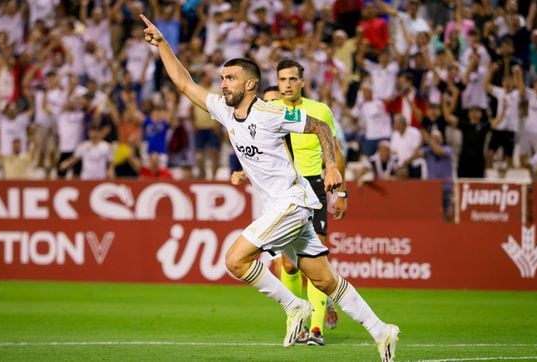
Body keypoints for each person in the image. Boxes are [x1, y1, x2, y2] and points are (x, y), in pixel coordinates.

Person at [140, 14, 399, 361]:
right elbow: (185, 84)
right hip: (280, 206)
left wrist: (332, 165)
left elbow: (320, 126)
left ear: (250, 85)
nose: (223, 84)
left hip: (291, 202)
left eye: (230, 78)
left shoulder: (271, 113)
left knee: (235, 259)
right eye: (221, 78)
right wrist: (162, 46)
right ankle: (382, 330)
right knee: (324, 281)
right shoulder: (224, 111)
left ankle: (295, 307)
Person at [264, 59, 348, 346]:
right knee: (288, 266)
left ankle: (315, 330)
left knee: (316, 259)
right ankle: (298, 319)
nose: (286, 84)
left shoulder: (319, 110)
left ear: (302, 81)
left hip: (314, 185)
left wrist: (342, 192)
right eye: (282, 80)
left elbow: (336, 154)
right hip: (285, 190)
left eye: (292, 79)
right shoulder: (271, 111)